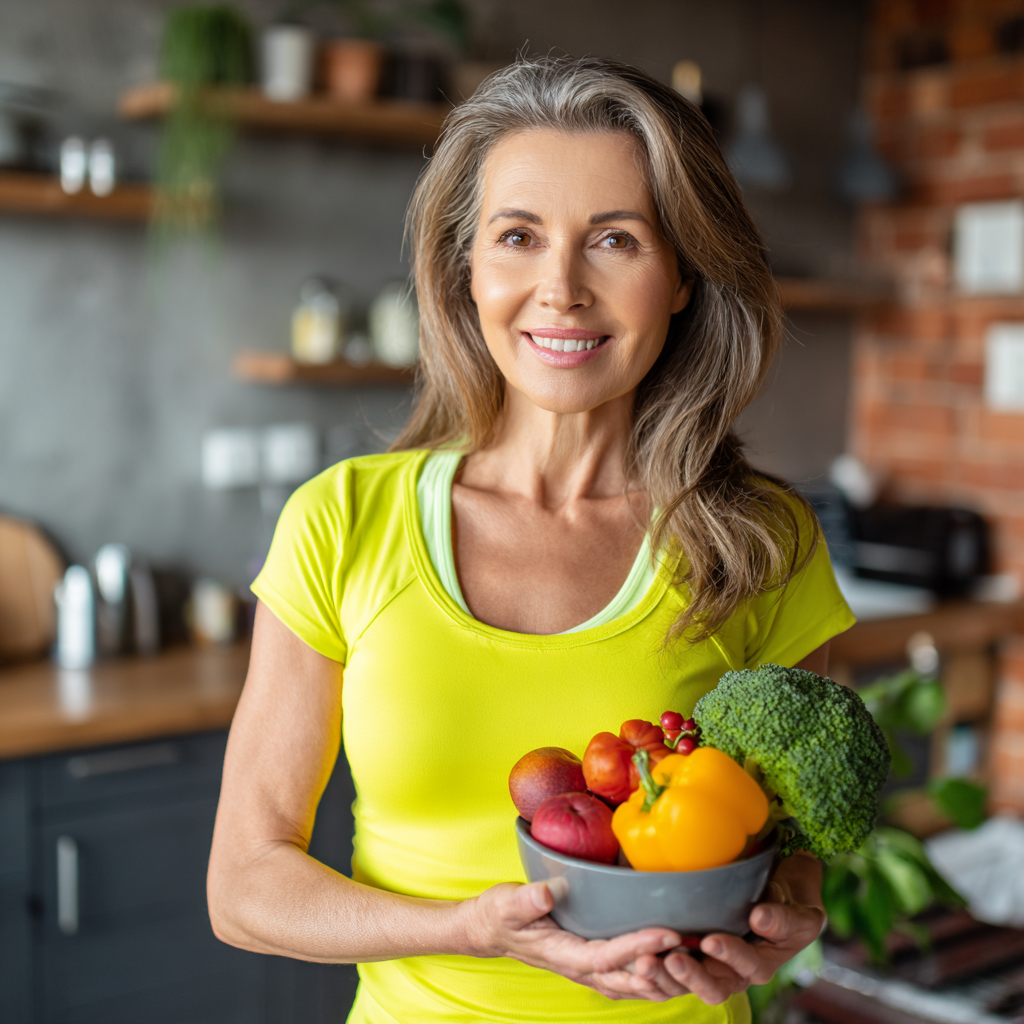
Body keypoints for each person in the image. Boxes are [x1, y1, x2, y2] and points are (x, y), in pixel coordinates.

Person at [207, 55, 855, 1024]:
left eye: (615, 241)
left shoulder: (759, 541)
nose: (560, 288)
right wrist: (467, 927)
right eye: (518, 236)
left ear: (680, 276)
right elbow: (244, 887)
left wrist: (780, 920)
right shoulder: (342, 522)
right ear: (466, 269)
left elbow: (795, 844)